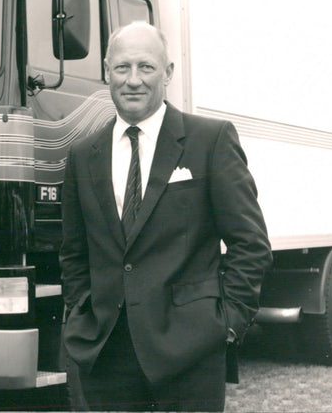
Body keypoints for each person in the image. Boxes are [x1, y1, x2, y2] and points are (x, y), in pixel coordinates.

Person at [60, 21, 272, 411]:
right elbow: (74, 251)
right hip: (105, 350)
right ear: (107, 72)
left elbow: (251, 243)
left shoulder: (210, 140)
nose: (133, 80)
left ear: (168, 73)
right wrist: (82, 311)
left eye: (146, 67)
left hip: (191, 348)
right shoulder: (81, 154)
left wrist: (226, 324)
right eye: (122, 68)